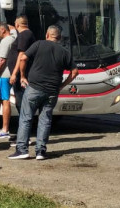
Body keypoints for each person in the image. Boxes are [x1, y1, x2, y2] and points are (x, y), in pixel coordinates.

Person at [8, 25, 78, 160]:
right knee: (45, 120)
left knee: (26, 118)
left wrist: (22, 76)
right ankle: (40, 151)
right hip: (52, 91)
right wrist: (62, 85)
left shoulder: (39, 44)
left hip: (34, 87)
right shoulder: (64, 52)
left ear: (47, 35)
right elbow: (75, 72)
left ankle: (22, 150)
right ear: (60, 37)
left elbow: (22, 58)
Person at [7, 16, 37, 114]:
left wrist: (15, 73)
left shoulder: (24, 35)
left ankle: (24, 125)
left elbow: (21, 55)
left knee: (21, 101)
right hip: (21, 73)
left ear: (17, 25)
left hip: (20, 74)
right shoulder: (26, 34)